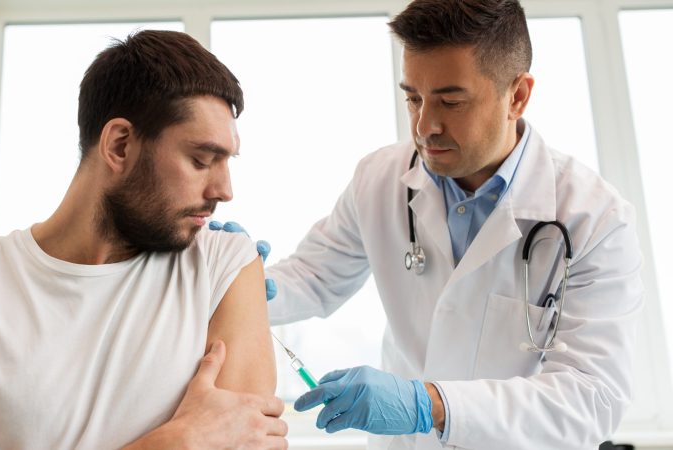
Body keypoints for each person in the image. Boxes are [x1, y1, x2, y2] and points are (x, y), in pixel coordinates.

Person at [213, 0, 643, 448]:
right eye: (413, 98)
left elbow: (591, 399)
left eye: (451, 102)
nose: (424, 126)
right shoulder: (379, 178)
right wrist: (237, 282)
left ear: (517, 96)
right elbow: (314, 277)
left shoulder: (595, 219)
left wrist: (429, 405)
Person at [0, 30, 288, 450]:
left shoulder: (223, 266)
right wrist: (175, 442)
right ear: (120, 145)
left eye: (227, 162)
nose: (224, 190)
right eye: (201, 160)